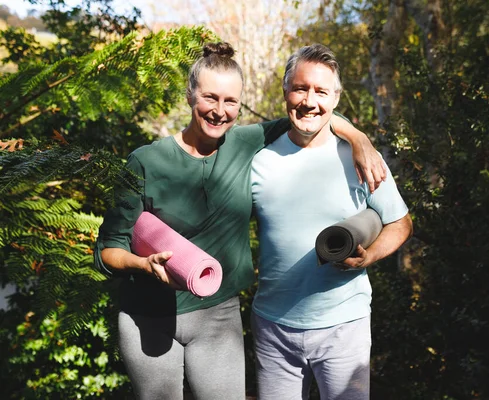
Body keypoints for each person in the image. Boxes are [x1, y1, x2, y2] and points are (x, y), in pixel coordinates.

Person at [94, 42, 384, 400]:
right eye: (210, 98)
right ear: (189, 96)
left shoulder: (245, 143)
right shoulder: (145, 161)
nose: (219, 111)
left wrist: (359, 138)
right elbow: (109, 248)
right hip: (147, 316)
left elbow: (311, 113)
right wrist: (141, 263)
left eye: (230, 101)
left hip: (219, 317)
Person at [251, 44, 414, 400]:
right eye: (300, 88)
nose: (310, 101)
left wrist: (369, 257)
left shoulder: (363, 159)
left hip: (345, 327)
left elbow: (400, 223)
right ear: (285, 92)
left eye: (321, 91)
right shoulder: (258, 160)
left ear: (336, 98)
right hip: (273, 328)